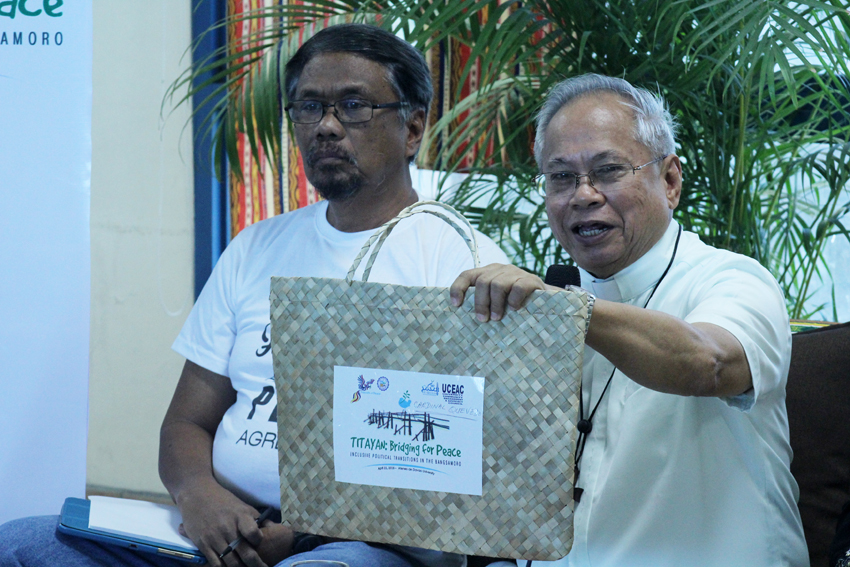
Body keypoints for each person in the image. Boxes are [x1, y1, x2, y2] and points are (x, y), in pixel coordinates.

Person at [0, 23, 507, 567]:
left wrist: (299, 532)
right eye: (308, 108)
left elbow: (469, 467)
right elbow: (186, 423)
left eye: (353, 106)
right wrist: (201, 499)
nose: (326, 127)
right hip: (227, 529)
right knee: (23, 545)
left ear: (412, 128)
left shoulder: (467, 264)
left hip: (363, 544)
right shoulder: (256, 248)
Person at [449, 74, 809, 567]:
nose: (583, 195)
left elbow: (709, 363)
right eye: (561, 177)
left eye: (608, 170)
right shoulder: (539, 303)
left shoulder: (734, 279)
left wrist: (564, 309)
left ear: (670, 180)